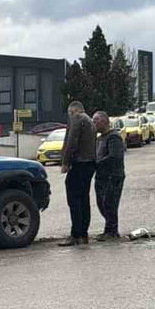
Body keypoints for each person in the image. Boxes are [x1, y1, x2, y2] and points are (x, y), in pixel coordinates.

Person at [58, 100, 97, 246]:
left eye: (69, 114)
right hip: (90, 163)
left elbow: (72, 141)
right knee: (84, 199)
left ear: (72, 111)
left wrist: (66, 162)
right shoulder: (90, 121)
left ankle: (76, 234)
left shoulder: (77, 119)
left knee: (74, 199)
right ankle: (83, 234)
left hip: (79, 163)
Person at [92, 111, 126, 241]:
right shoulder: (100, 138)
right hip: (101, 177)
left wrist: (97, 164)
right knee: (102, 204)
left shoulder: (114, 137)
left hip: (113, 176)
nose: (94, 124)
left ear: (105, 121)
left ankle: (112, 231)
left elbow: (114, 157)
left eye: (96, 121)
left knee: (110, 203)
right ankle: (108, 229)